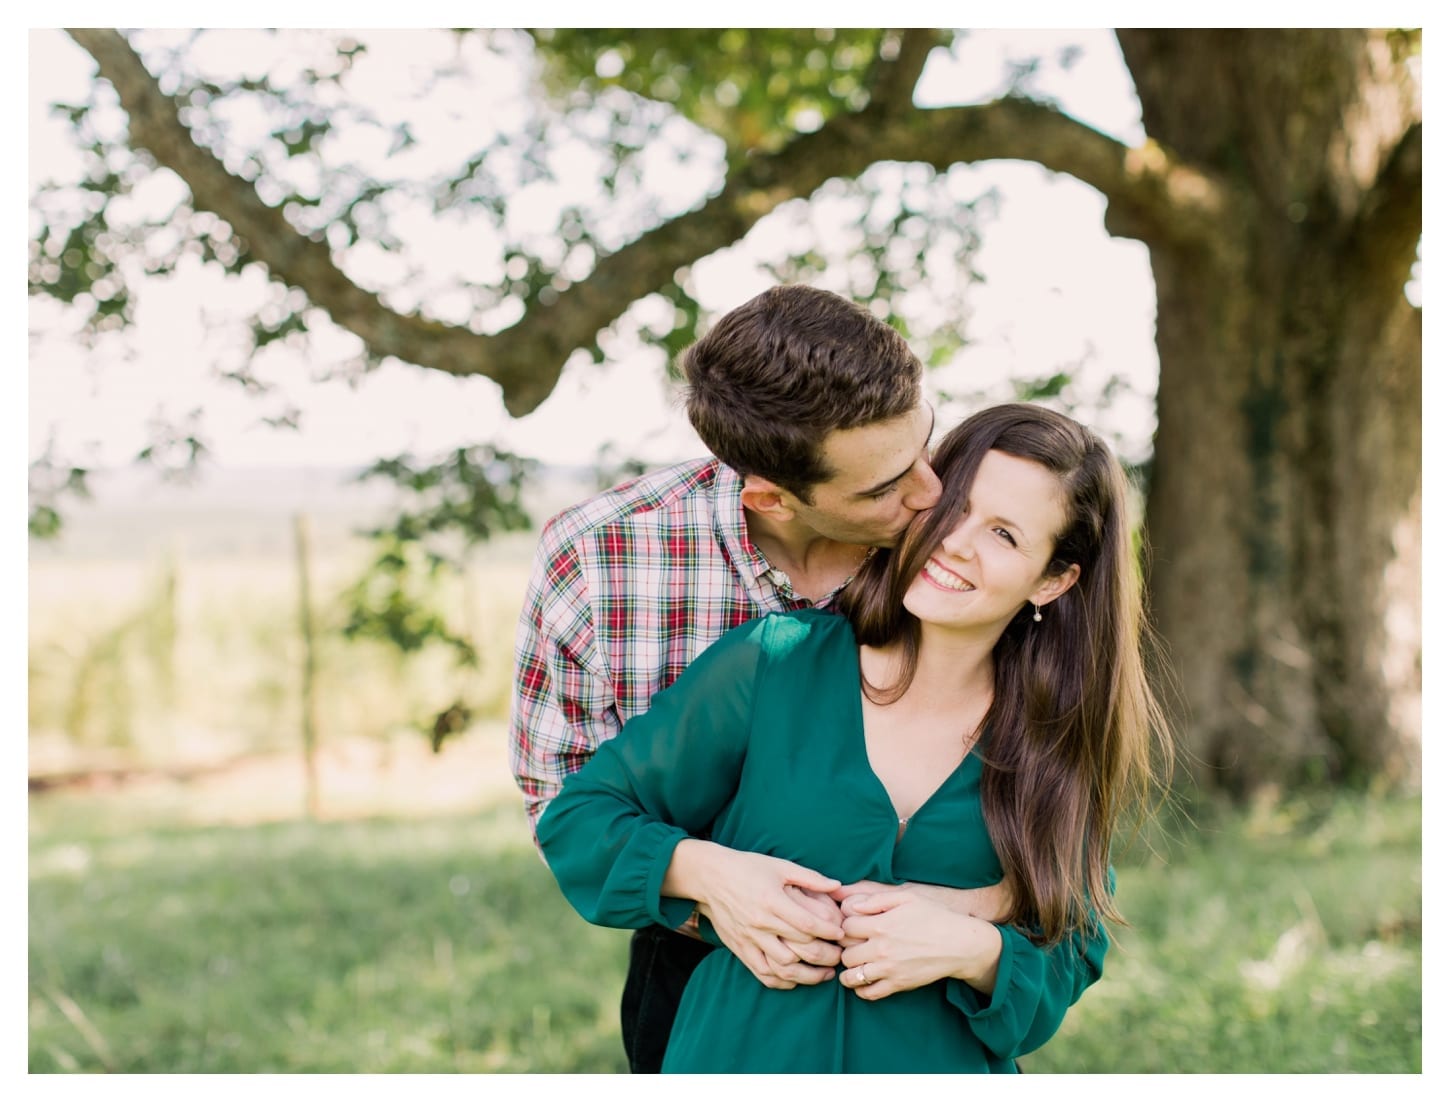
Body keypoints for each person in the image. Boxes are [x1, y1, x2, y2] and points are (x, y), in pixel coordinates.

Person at [537, 403, 1173, 1073]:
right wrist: (713, 875)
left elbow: (1071, 946)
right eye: (954, 506)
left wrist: (970, 949)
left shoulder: (1050, 743)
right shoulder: (772, 664)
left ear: (1053, 578)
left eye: (1004, 535)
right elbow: (579, 819)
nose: (957, 542)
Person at [510, 284, 976, 1073]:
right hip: (698, 971)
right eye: (880, 489)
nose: (931, 493)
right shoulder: (598, 559)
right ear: (770, 497)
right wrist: (707, 876)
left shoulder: (964, 534)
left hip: (932, 969)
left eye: (922, 446)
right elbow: (559, 797)